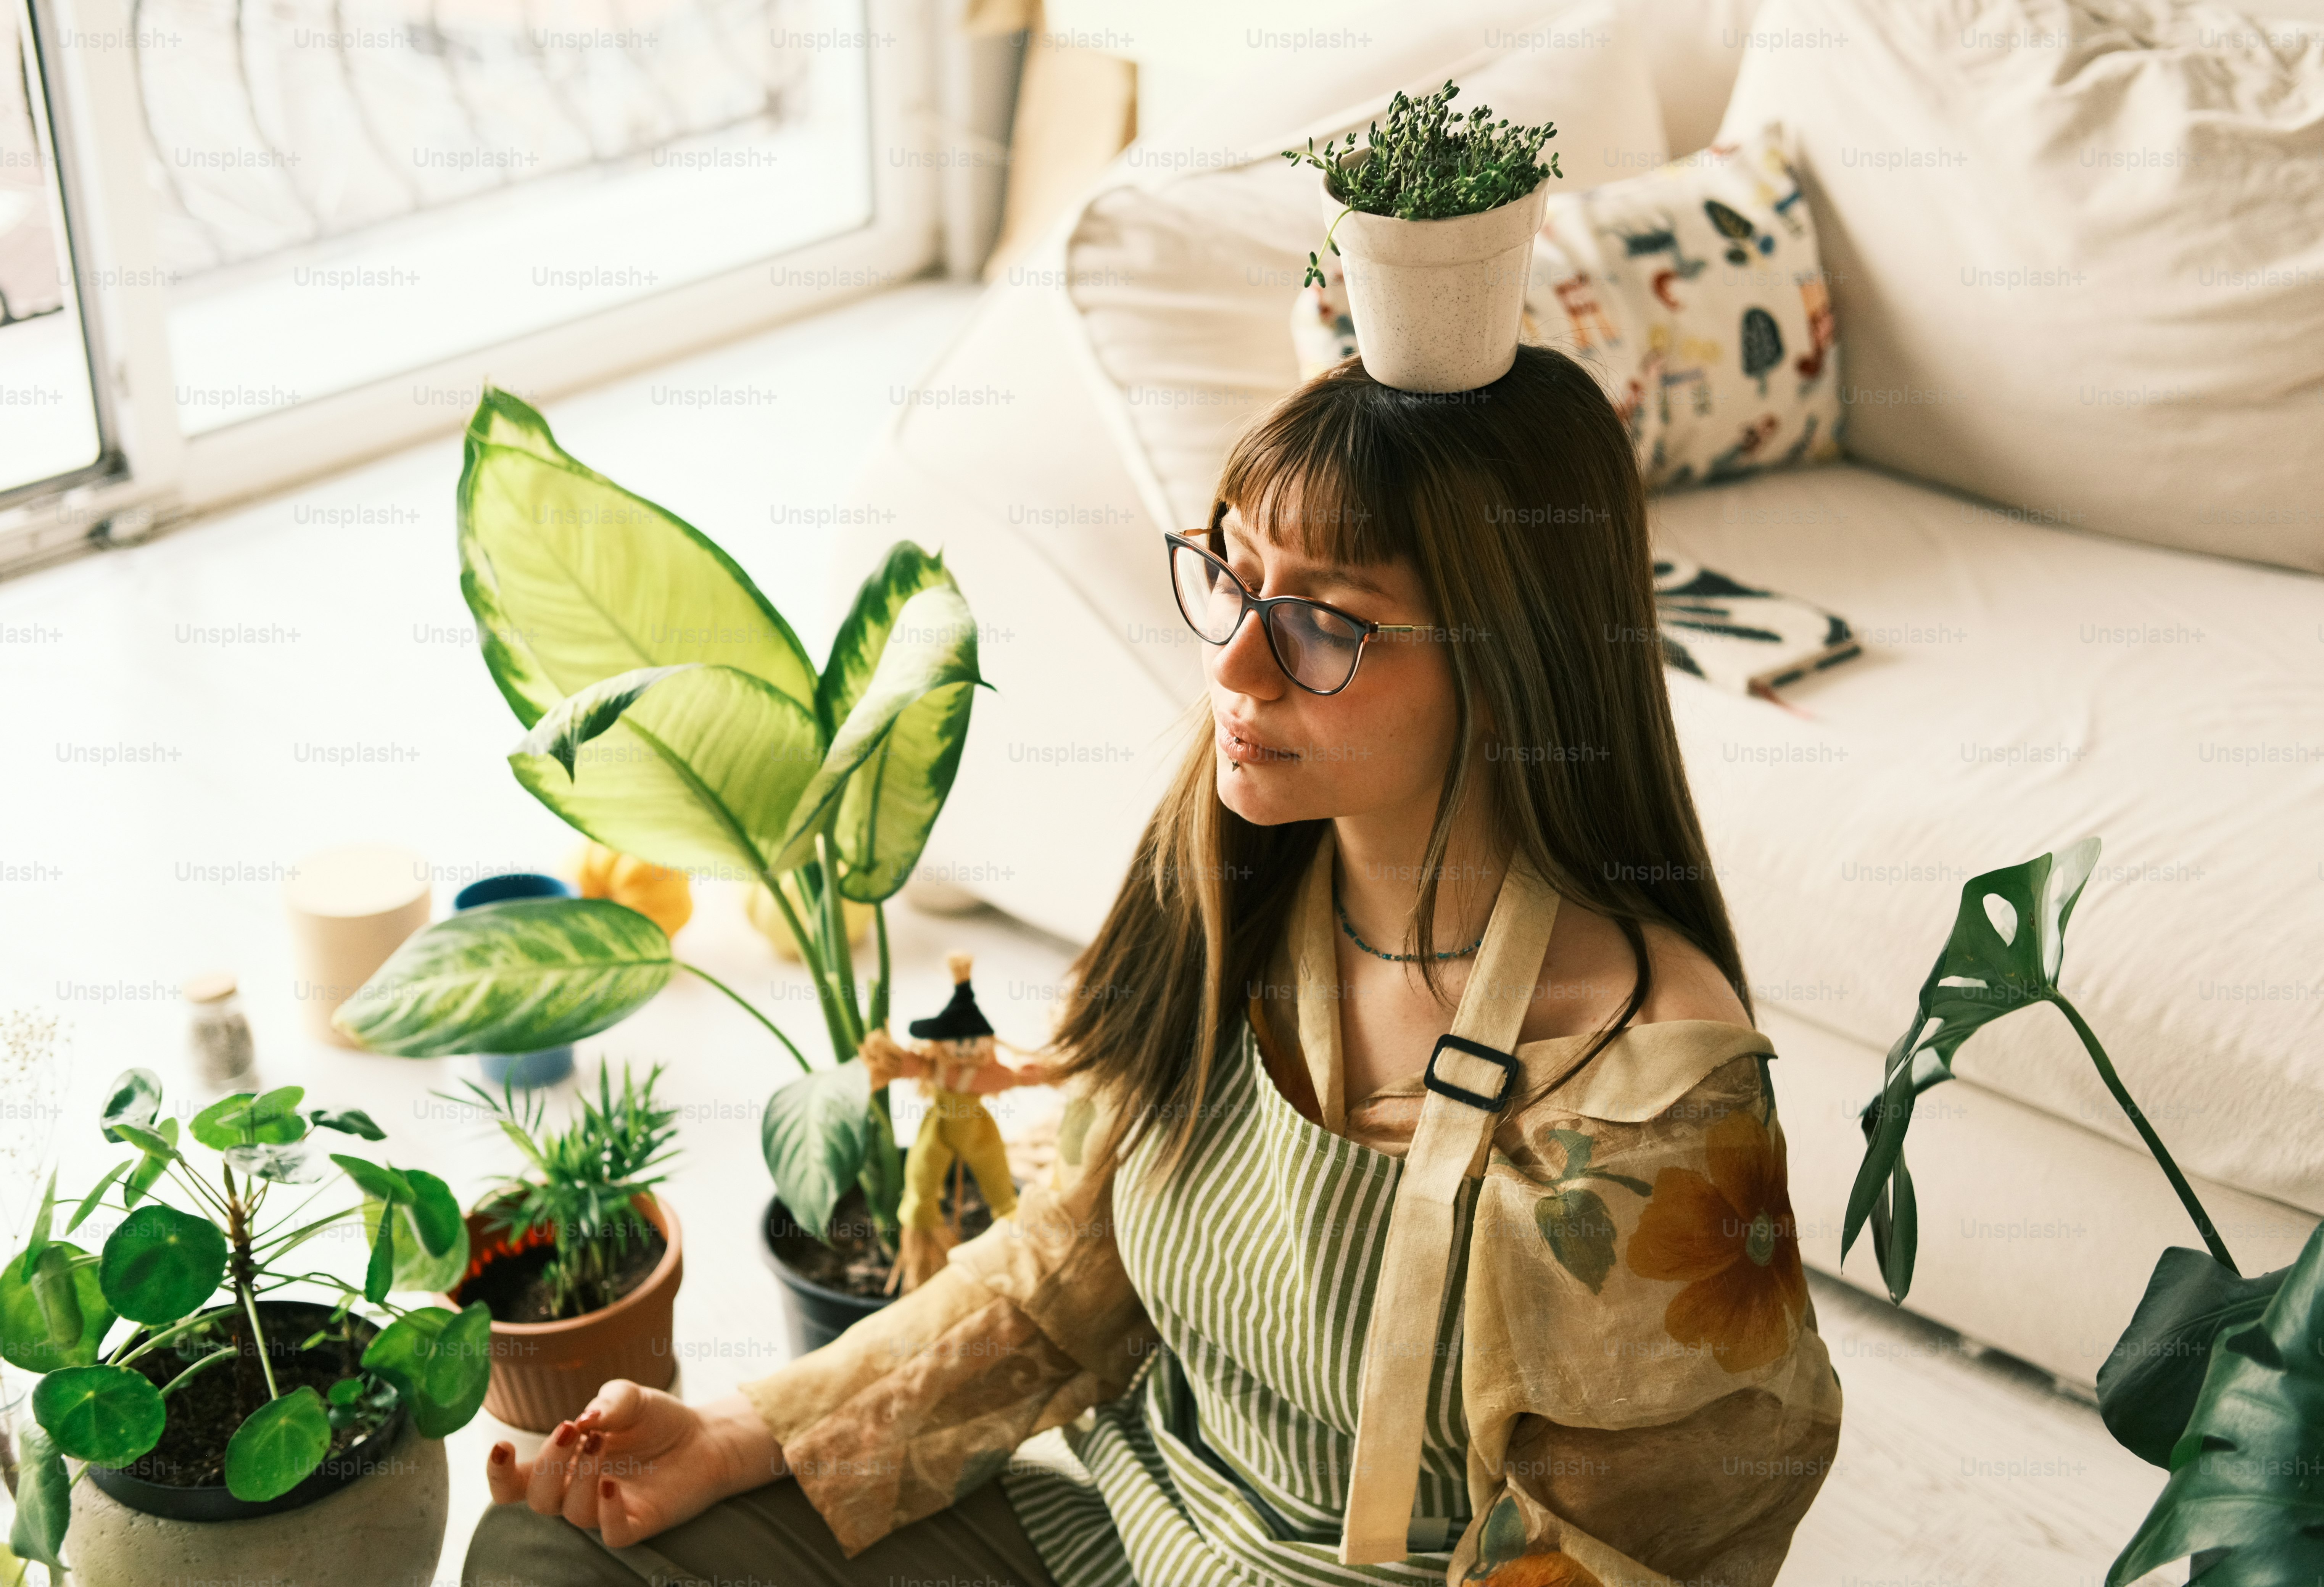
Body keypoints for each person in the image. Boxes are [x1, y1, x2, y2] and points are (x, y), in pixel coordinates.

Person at [464, 345, 1843, 1587]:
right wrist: (736, 1435)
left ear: (1512, 663)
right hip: (1115, 1546)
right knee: (551, 1541)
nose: (1235, 665)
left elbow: (1634, 1556)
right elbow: (1065, 1271)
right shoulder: (1233, 888)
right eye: (1233, 576)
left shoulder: (1646, 1095)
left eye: (1325, 623)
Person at [858, 950, 1048, 1294]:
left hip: (979, 1132)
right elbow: (906, 1065)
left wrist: (1041, 1075)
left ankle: (1013, 1245)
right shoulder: (938, 1068)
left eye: (974, 1041)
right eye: (957, 1041)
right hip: (939, 1132)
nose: (965, 1049)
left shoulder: (990, 1076)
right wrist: (887, 1064)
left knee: (1000, 1186)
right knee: (921, 1186)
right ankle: (924, 1253)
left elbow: (1019, 1077)